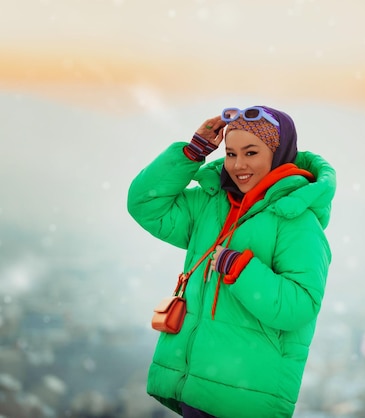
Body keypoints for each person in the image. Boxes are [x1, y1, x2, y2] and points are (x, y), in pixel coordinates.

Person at [127, 105, 336, 418]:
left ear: (279, 154)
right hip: (195, 388)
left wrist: (240, 270)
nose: (238, 165)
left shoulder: (298, 222)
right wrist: (193, 152)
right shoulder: (211, 204)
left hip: (244, 399)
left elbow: (299, 306)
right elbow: (145, 205)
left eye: (251, 153)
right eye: (230, 153)